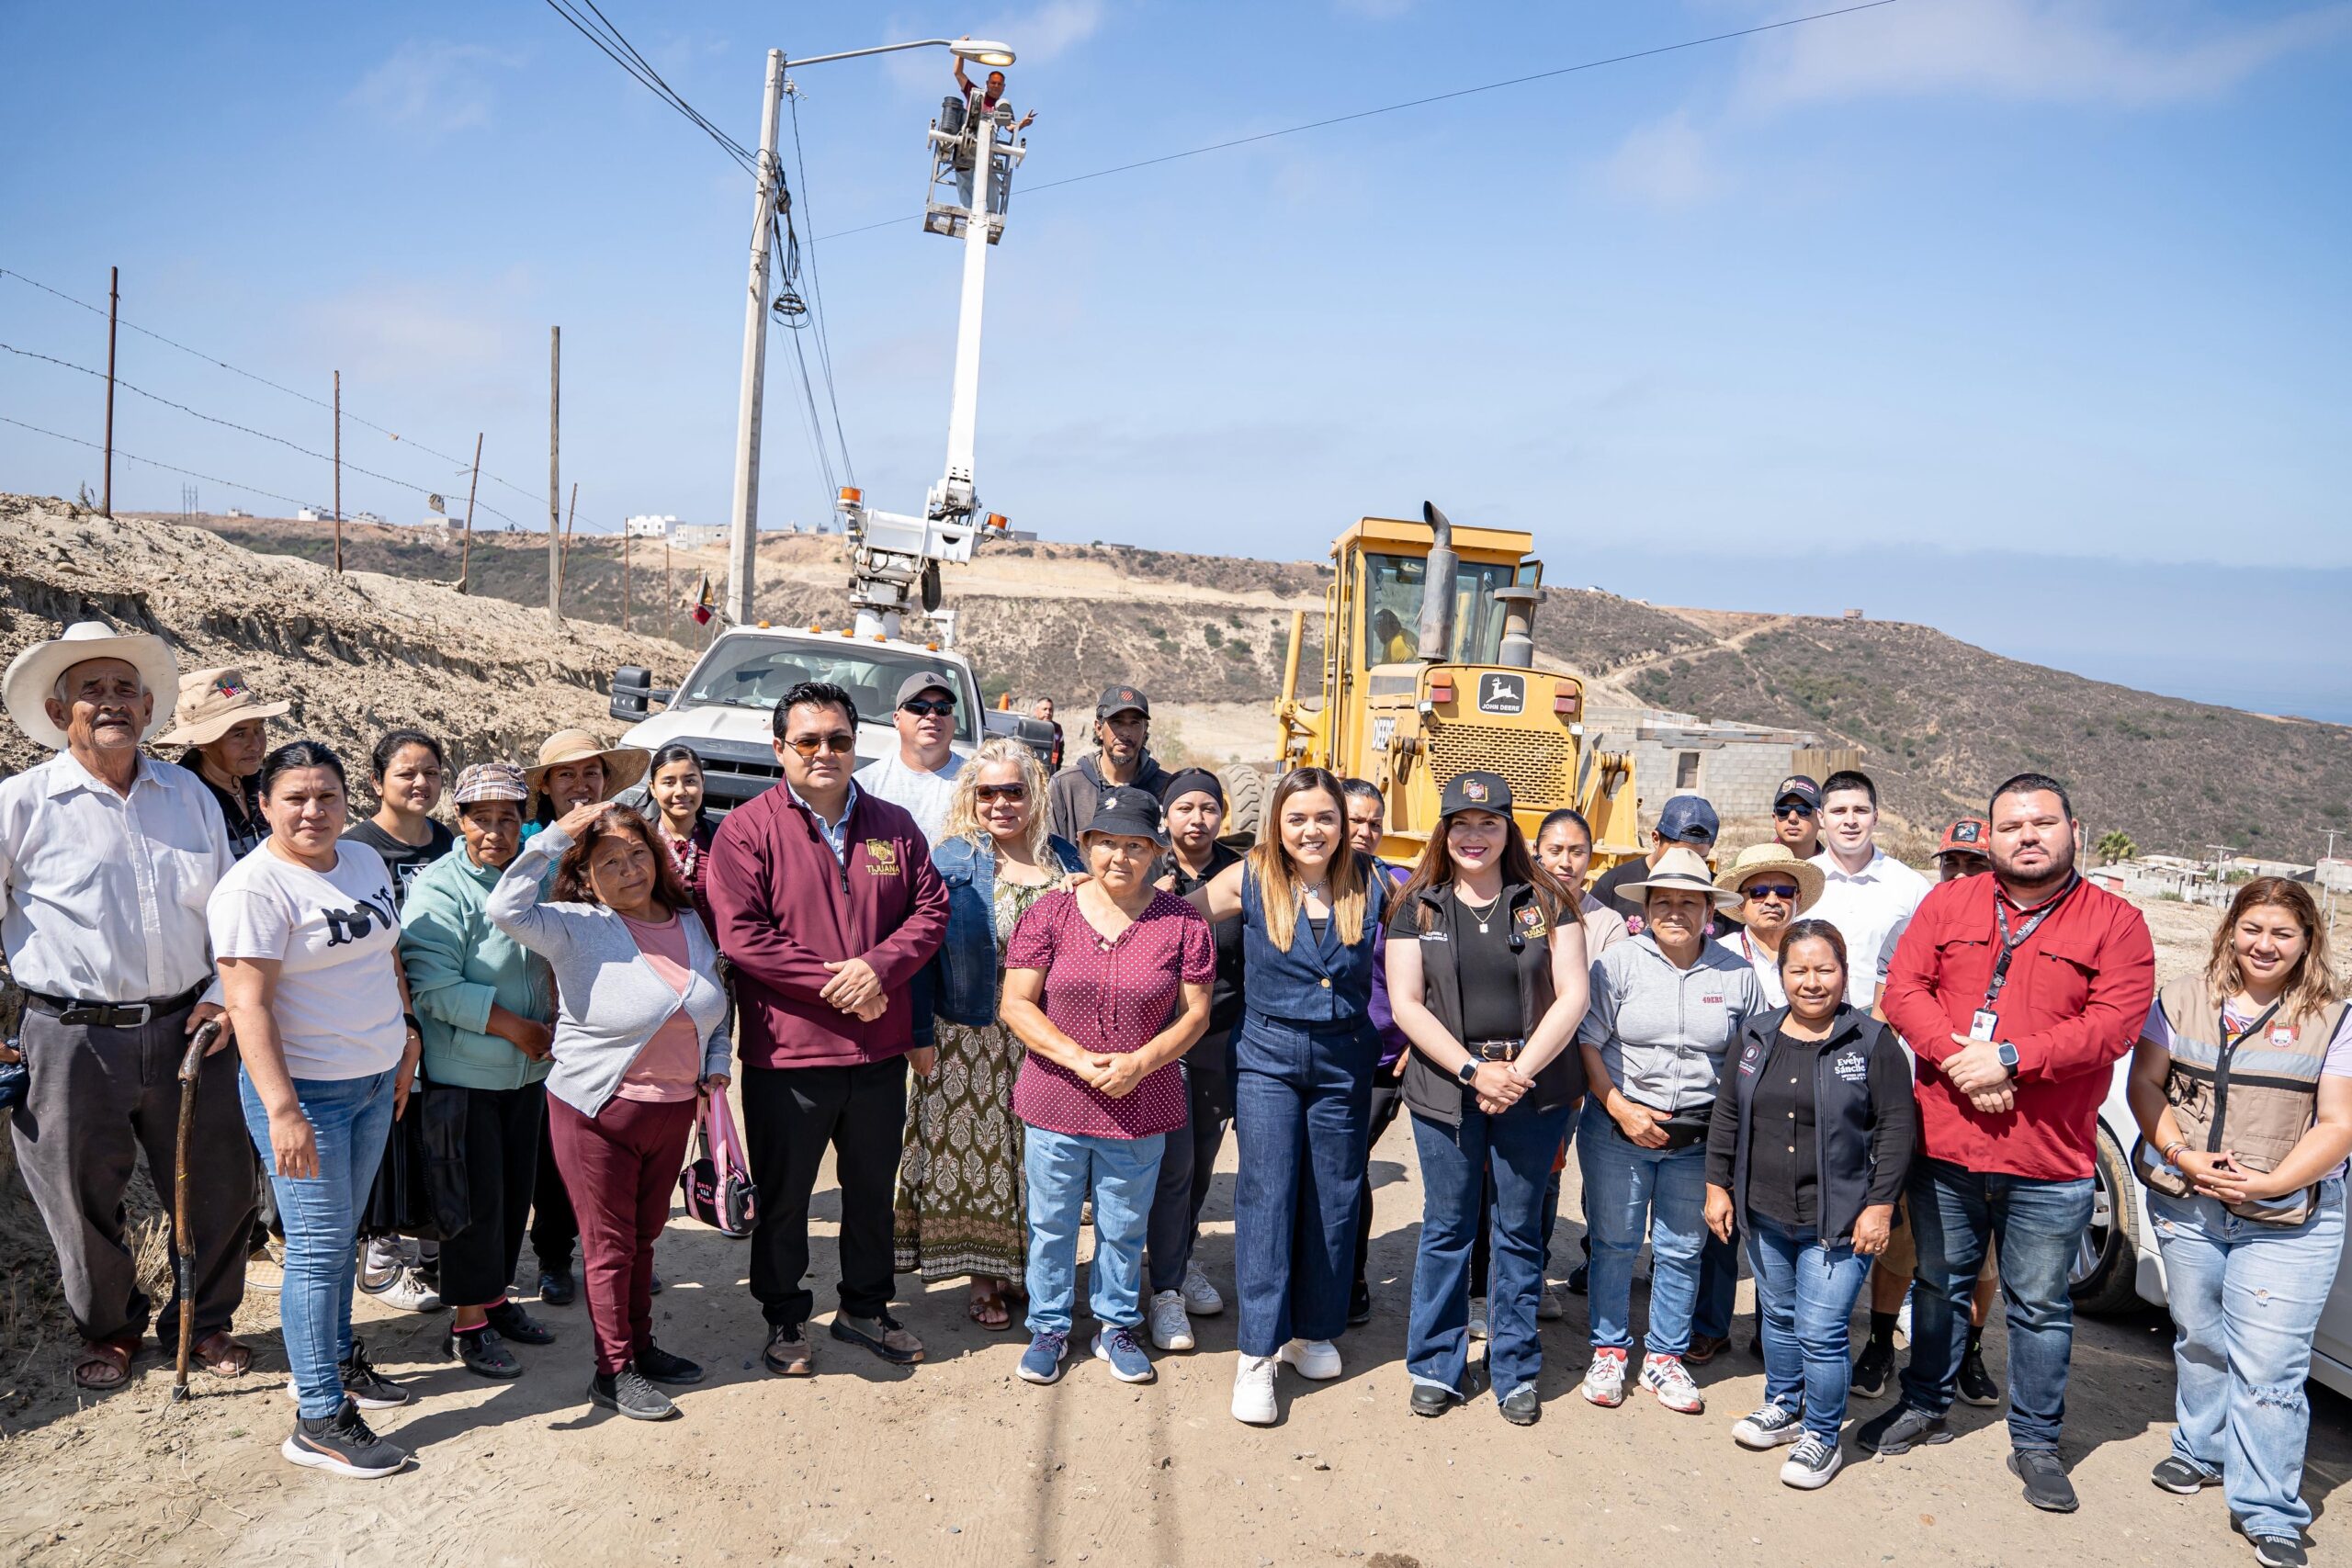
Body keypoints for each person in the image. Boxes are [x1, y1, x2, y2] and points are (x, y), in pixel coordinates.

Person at [1861, 773, 2156, 1515]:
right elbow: (1905, 991)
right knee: (1937, 1284)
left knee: (2040, 1306)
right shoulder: (1949, 903)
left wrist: (2013, 1058)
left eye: (2043, 822)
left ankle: (2036, 1440)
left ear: (2074, 831)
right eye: (2012, 825)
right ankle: (1924, 1402)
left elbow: (2114, 1024)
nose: (2028, 835)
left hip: (2048, 1162)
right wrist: (1962, 1059)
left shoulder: (2116, 922)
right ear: (1990, 836)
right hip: (1946, 1145)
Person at [0, 621, 253, 1393]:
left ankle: (203, 1322)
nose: (110, 701)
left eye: (124, 689)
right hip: (69, 1036)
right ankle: (111, 1328)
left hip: (192, 1025)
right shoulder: (21, 802)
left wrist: (223, 998)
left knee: (220, 1182)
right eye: (91, 689)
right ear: (59, 710)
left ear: (147, 708)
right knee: (79, 1197)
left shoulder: (189, 796)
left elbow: (230, 910)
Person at [706, 681, 947, 1378]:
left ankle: (865, 1308)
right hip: (792, 1054)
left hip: (878, 1051)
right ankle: (785, 1315)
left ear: (855, 745)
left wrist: (877, 969)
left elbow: (929, 910)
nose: (824, 752)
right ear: (779, 747)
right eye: (807, 740)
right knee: (786, 1197)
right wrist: (839, 985)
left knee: (871, 1191)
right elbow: (743, 935)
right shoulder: (746, 830)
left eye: (838, 739)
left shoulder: (893, 826)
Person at [210, 740, 422, 1477]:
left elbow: (385, 954)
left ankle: (335, 1361)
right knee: (316, 1247)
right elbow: (247, 1006)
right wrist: (283, 1110)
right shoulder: (253, 888)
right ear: (264, 804)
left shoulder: (361, 861)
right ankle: (319, 1417)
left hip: (372, 1080)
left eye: (327, 795)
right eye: (295, 797)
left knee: (341, 1237)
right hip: (308, 1095)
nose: (313, 810)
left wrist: (406, 1036)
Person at [2129, 878, 2349, 1567]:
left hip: (2287, 1217)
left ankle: (2269, 1507)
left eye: (2283, 933)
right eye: (2253, 928)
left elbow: (2339, 1123)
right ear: (2230, 930)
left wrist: (2273, 1183)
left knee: (2271, 1367)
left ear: (2308, 940)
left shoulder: (2335, 1017)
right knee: (2200, 1337)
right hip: (2188, 1203)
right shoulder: (2181, 998)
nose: (2265, 944)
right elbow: (2145, 1084)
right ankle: (2203, 1448)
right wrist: (2181, 1155)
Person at [489, 802, 731, 1422]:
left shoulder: (688, 920)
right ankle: (613, 1370)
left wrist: (717, 1062)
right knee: (609, 1245)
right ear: (586, 876)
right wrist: (553, 838)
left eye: (637, 854)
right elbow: (505, 908)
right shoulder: (575, 925)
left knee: (645, 1238)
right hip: (595, 1110)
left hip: (672, 1108)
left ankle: (641, 1347)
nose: (629, 870)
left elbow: (714, 1005)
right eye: (610, 862)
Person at [1183, 767, 1388, 1425]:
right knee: (1267, 1194)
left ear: (1343, 824)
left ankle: (1312, 1330)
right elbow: (1175, 914)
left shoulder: (1375, 882)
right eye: (1297, 817)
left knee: (1333, 1194)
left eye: (1325, 817)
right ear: (1277, 821)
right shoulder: (1248, 876)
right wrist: (1101, 891)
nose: (1311, 830)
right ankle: (1257, 1352)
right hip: (1266, 1056)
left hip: (1343, 1061)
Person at [1387, 772, 1590, 1426]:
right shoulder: (1417, 906)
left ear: (1509, 831)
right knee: (1448, 1226)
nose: (1474, 836)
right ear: (1444, 831)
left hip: (1534, 1086)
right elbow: (1407, 1004)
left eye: (1489, 823)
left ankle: (1515, 1366)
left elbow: (1573, 995)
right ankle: (1435, 1364)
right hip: (1448, 1086)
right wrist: (1477, 1071)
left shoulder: (1548, 900)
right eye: (1462, 824)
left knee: (1518, 1229)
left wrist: (1517, 1074)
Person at [999, 786, 1214, 1386]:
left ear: (1156, 852)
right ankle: (1048, 1326)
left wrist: (1139, 1063)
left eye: (1136, 845)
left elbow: (1196, 1015)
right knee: (1052, 1222)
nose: (1120, 856)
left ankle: (1116, 1325)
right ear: (1086, 844)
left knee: (1123, 1224)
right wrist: (1078, 1059)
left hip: (1139, 1101)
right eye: (1107, 843)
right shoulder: (1050, 913)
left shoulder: (1182, 923)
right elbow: (1017, 1004)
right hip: (1056, 1097)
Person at [1705, 920, 1914, 1489]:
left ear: (1844, 973)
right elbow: (1728, 1113)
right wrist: (1717, 1185)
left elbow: (1897, 1128)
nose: (1812, 982)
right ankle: (1783, 1403)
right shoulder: (1756, 1035)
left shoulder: (1871, 1041)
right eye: (1798, 970)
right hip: (1765, 1209)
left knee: (1820, 1330)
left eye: (1825, 969)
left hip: (1841, 1218)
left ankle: (1822, 1434)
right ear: (1781, 975)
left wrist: (1880, 1206)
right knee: (1778, 1316)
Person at [896, 739, 1080, 1329]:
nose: (1001, 803)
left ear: (1035, 794)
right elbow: (920, 954)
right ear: (971, 798)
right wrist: (918, 1033)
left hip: (1046, 1034)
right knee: (978, 1157)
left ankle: (1028, 1269)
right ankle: (983, 1277)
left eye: (1013, 791)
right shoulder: (950, 860)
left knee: (1037, 1157)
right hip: (966, 1033)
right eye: (987, 792)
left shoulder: (1067, 861)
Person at [1577, 845, 1763, 1415]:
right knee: (1614, 1243)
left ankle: (1665, 1356)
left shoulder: (1737, 975)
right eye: (1663, 902)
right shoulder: (1617, 964)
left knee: (1683, 1248)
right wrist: (1620, 1108)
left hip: (1697, 1139)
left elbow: (1749, 1059)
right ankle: (1609, 1350)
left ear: (1709, 911)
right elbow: (1588, 1041)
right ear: (1646, 907)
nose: (1675, 912)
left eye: (1689, 902)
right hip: (1619, 1129)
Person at [400, 761, 559, 1381]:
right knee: (470, 1204)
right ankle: (467, 1323)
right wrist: (518, 1028)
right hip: (465, 1075)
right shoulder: (440, 887)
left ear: (525, 822)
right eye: (481, 819)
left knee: (513, 1196)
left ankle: (494, 1299)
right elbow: (433, 985)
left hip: (527, 1074)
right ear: (459, 820)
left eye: (508, 819)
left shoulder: (537, 878)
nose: (495, 831)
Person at [1854, 815, 2001, 1407]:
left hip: (1987, 1119)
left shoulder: (2011, 936)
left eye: (1975, 864)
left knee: (1981, 1256)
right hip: (1916, 1114)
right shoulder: (1913, 928)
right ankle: (1880, 1344)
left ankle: (1970, 1351)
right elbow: (1885, 1017)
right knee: (1900, 1243)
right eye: (1952, 863)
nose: (1961, 874)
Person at [521, 728, 650, 1307]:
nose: (580, 784)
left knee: (620, 1141)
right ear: (546, 786)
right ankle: (554, 1256)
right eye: (566, 774)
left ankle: (622, 1256)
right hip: (543, 1006)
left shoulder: (620, 834)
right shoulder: (529, 843)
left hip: (614, 1010)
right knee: (557, 1147)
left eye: (591, 772)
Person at [345, 728, 455, 1314]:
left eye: (431, 773)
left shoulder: (451, 844)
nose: (420, 783)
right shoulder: (354, 850)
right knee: (389, 1126)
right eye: (406, 773)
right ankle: (380, 1254)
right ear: (375, 782)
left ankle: (435, 1245)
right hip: (380, 1007)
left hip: (444, 1007)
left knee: (438, 1128)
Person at [1146, 768, 1245, 1345]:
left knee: (1201, 1161)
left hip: (1219, 1039)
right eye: (1184, 807)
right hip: (1158, 1042)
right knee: (1169, 1165)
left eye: (1208, 808)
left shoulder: (1240, 873)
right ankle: (1162, 1281)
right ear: (1166, 816)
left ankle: (1179, 1263)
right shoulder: (1144, 866)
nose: (1197, 819)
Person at [1532, 807, 1627, 1302]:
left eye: (1577, 851)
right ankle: (1500, 1278)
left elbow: (1604, 1000)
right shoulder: (1515, 905)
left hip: (1574, 1067)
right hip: (1513, 1062)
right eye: (1555, 850)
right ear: (1537, 853)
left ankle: (1539, 1273)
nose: (1565, 862)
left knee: (1556, 1174)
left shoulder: (1606, 922)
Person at [1342, 777, 1411, 1328]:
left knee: (1349, 1163)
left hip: (1384, 1059)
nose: (1365, 832)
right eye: (1354, 821)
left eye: (1374, 823)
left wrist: (1414, 1041)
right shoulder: (1303, 884)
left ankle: (1351, 1276)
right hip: (1320, 1054)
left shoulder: (1400, 888)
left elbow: (1437, 968)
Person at [1808, 769, 1928, 1009]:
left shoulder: (1911, 886)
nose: (1850, 821)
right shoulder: (1802, 881)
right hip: (1812, 1017)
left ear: (1875, 817)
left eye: (1860, 810)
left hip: (1886, 1020)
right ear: (1821, 818)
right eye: (1839, 811)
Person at [160, 664, 288, 859]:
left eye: (258, 729)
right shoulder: (181, 801)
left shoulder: (269, 785)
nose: (255, 745)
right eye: (239, 734)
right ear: (203, 743)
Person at [1046, 685, 1170, 840]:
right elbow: (1051, 849)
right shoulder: (1066, 786)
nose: (1125, 732)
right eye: (1117, 722)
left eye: (1134, 723)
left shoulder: (1166, 789)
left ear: (1145, 730)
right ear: (1099, 728)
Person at [856, 671, 967, 845]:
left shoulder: (977, 782)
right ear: (897, 719)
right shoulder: (864, 785)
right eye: (919, 707)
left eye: (943, 708)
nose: (932, 715)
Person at [1589, 794, 1719, 939]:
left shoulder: (1718, 892)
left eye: (1698, 858)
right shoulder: (1614, 883)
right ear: (1656, 839)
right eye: (1677, 855)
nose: (1685, 864)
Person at [1716, 844, 1826, 1008]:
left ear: (1797, 899)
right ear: (1740, 902)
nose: (1772, 901)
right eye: (1758, 892)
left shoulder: (1818, 950)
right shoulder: (1721, 954)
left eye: (1784, 892)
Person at [640, 743, 717, 927]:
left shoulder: (722, 839)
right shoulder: (639, 841)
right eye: (669, 783)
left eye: (690, 781)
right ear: (653, 788)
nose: (681, 791)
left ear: (702, 783)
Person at [950, 51, 1035, 215]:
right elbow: (958, 73)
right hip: (968, 141)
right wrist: (960, 52)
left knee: (992, 179)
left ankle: (991, 213)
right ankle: (967, 212)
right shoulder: (975, 94)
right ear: (987, 84)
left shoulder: (1002, 106)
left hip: (987, 147)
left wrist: (1022, 124)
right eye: (993, 83)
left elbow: (1009, 127)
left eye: (999, 84)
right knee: (963, 175)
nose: (996, 86)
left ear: (1004, 87)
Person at [1770, 775, 1824, 862]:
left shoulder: (1834, 868)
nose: (1792, 818)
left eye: (1803, 810)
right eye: (1783, 810)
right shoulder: (1754, 865)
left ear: (1821, 819)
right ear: (1774, 819)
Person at [1032, 697, 1064, 771]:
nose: (1048, 712)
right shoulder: (1030, 727)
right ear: (1036, 711)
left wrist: (1057, 771)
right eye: (1045, 709)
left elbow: (1060, 753)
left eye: (1050, 709)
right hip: (1034, 770)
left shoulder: (1057, 729)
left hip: (1051, 770)